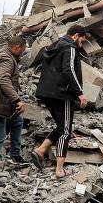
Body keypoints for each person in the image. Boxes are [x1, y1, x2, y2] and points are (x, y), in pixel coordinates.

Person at [32, 24, 90, 178]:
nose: (81, 44)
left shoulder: (55, 46)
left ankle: (41, 150)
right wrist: (80, 93)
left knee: (60, 126)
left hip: (47, 93)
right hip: (62, 94)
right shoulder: (69, 48)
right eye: (82, 40)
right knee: (66, 131)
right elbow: (68, 70)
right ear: (76, 35)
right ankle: (59, 169)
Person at [0, 35, 27, 178]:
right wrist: (17, 100)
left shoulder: (5, 55)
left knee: (17, 121)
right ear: (17, 47)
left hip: (4, 102)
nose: (23, 52)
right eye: (23, 49)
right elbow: (3, 80)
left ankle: (15, 154)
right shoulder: (6, 59)